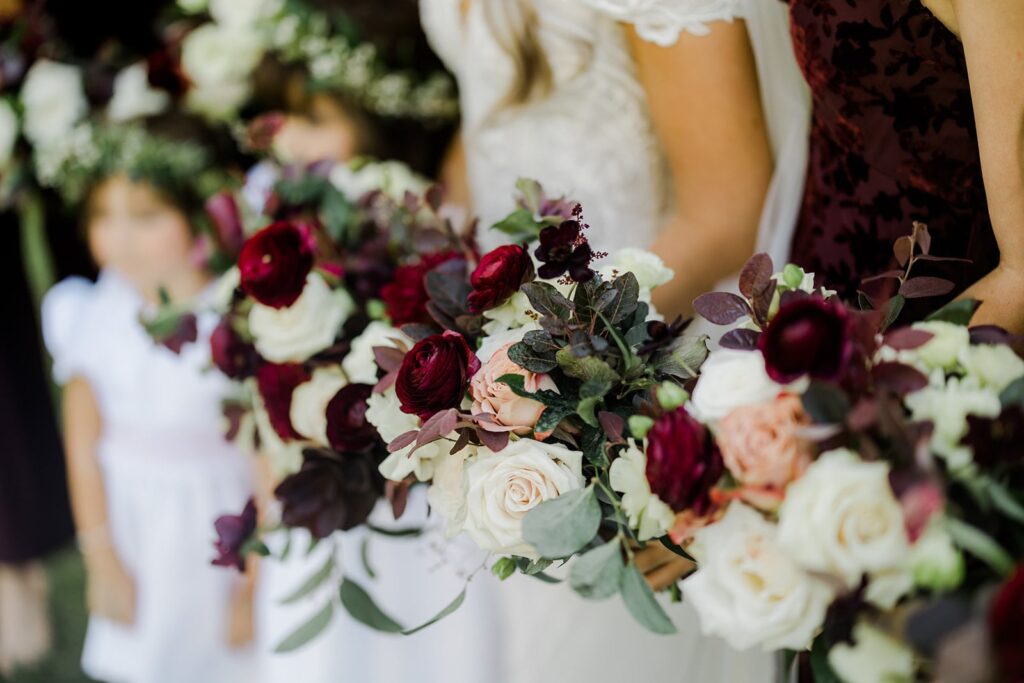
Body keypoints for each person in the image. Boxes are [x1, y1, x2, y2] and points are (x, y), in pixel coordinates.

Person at [419, 0, 810, 679]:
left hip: (634, 377)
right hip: (506, 377)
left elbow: (730, 208)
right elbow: (495, 108)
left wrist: (551, 352)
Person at [40, 117, 257, 683]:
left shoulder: (239, 321)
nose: (119, 239)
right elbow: (82, 443)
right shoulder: (95, 311)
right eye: (103, 217)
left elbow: (265, 463)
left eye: (146, 217)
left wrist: (253, 587)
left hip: (219, 534)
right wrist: (101, 558)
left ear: (203, 216)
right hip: (135, 536)